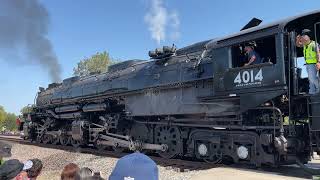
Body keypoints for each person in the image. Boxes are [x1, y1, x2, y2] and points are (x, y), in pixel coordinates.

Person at [296, 29, 320, 94]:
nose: (302, 39)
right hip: (308, 65)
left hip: (314, 63)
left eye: (303, 37)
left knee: (312, 79)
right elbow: (298, 45)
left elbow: (318, 53)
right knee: (311, 80)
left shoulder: (314, 44)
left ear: (308, 37)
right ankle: (312, 92)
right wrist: (297, 39)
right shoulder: (304, 45)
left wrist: (318, 62)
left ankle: (318, 88)